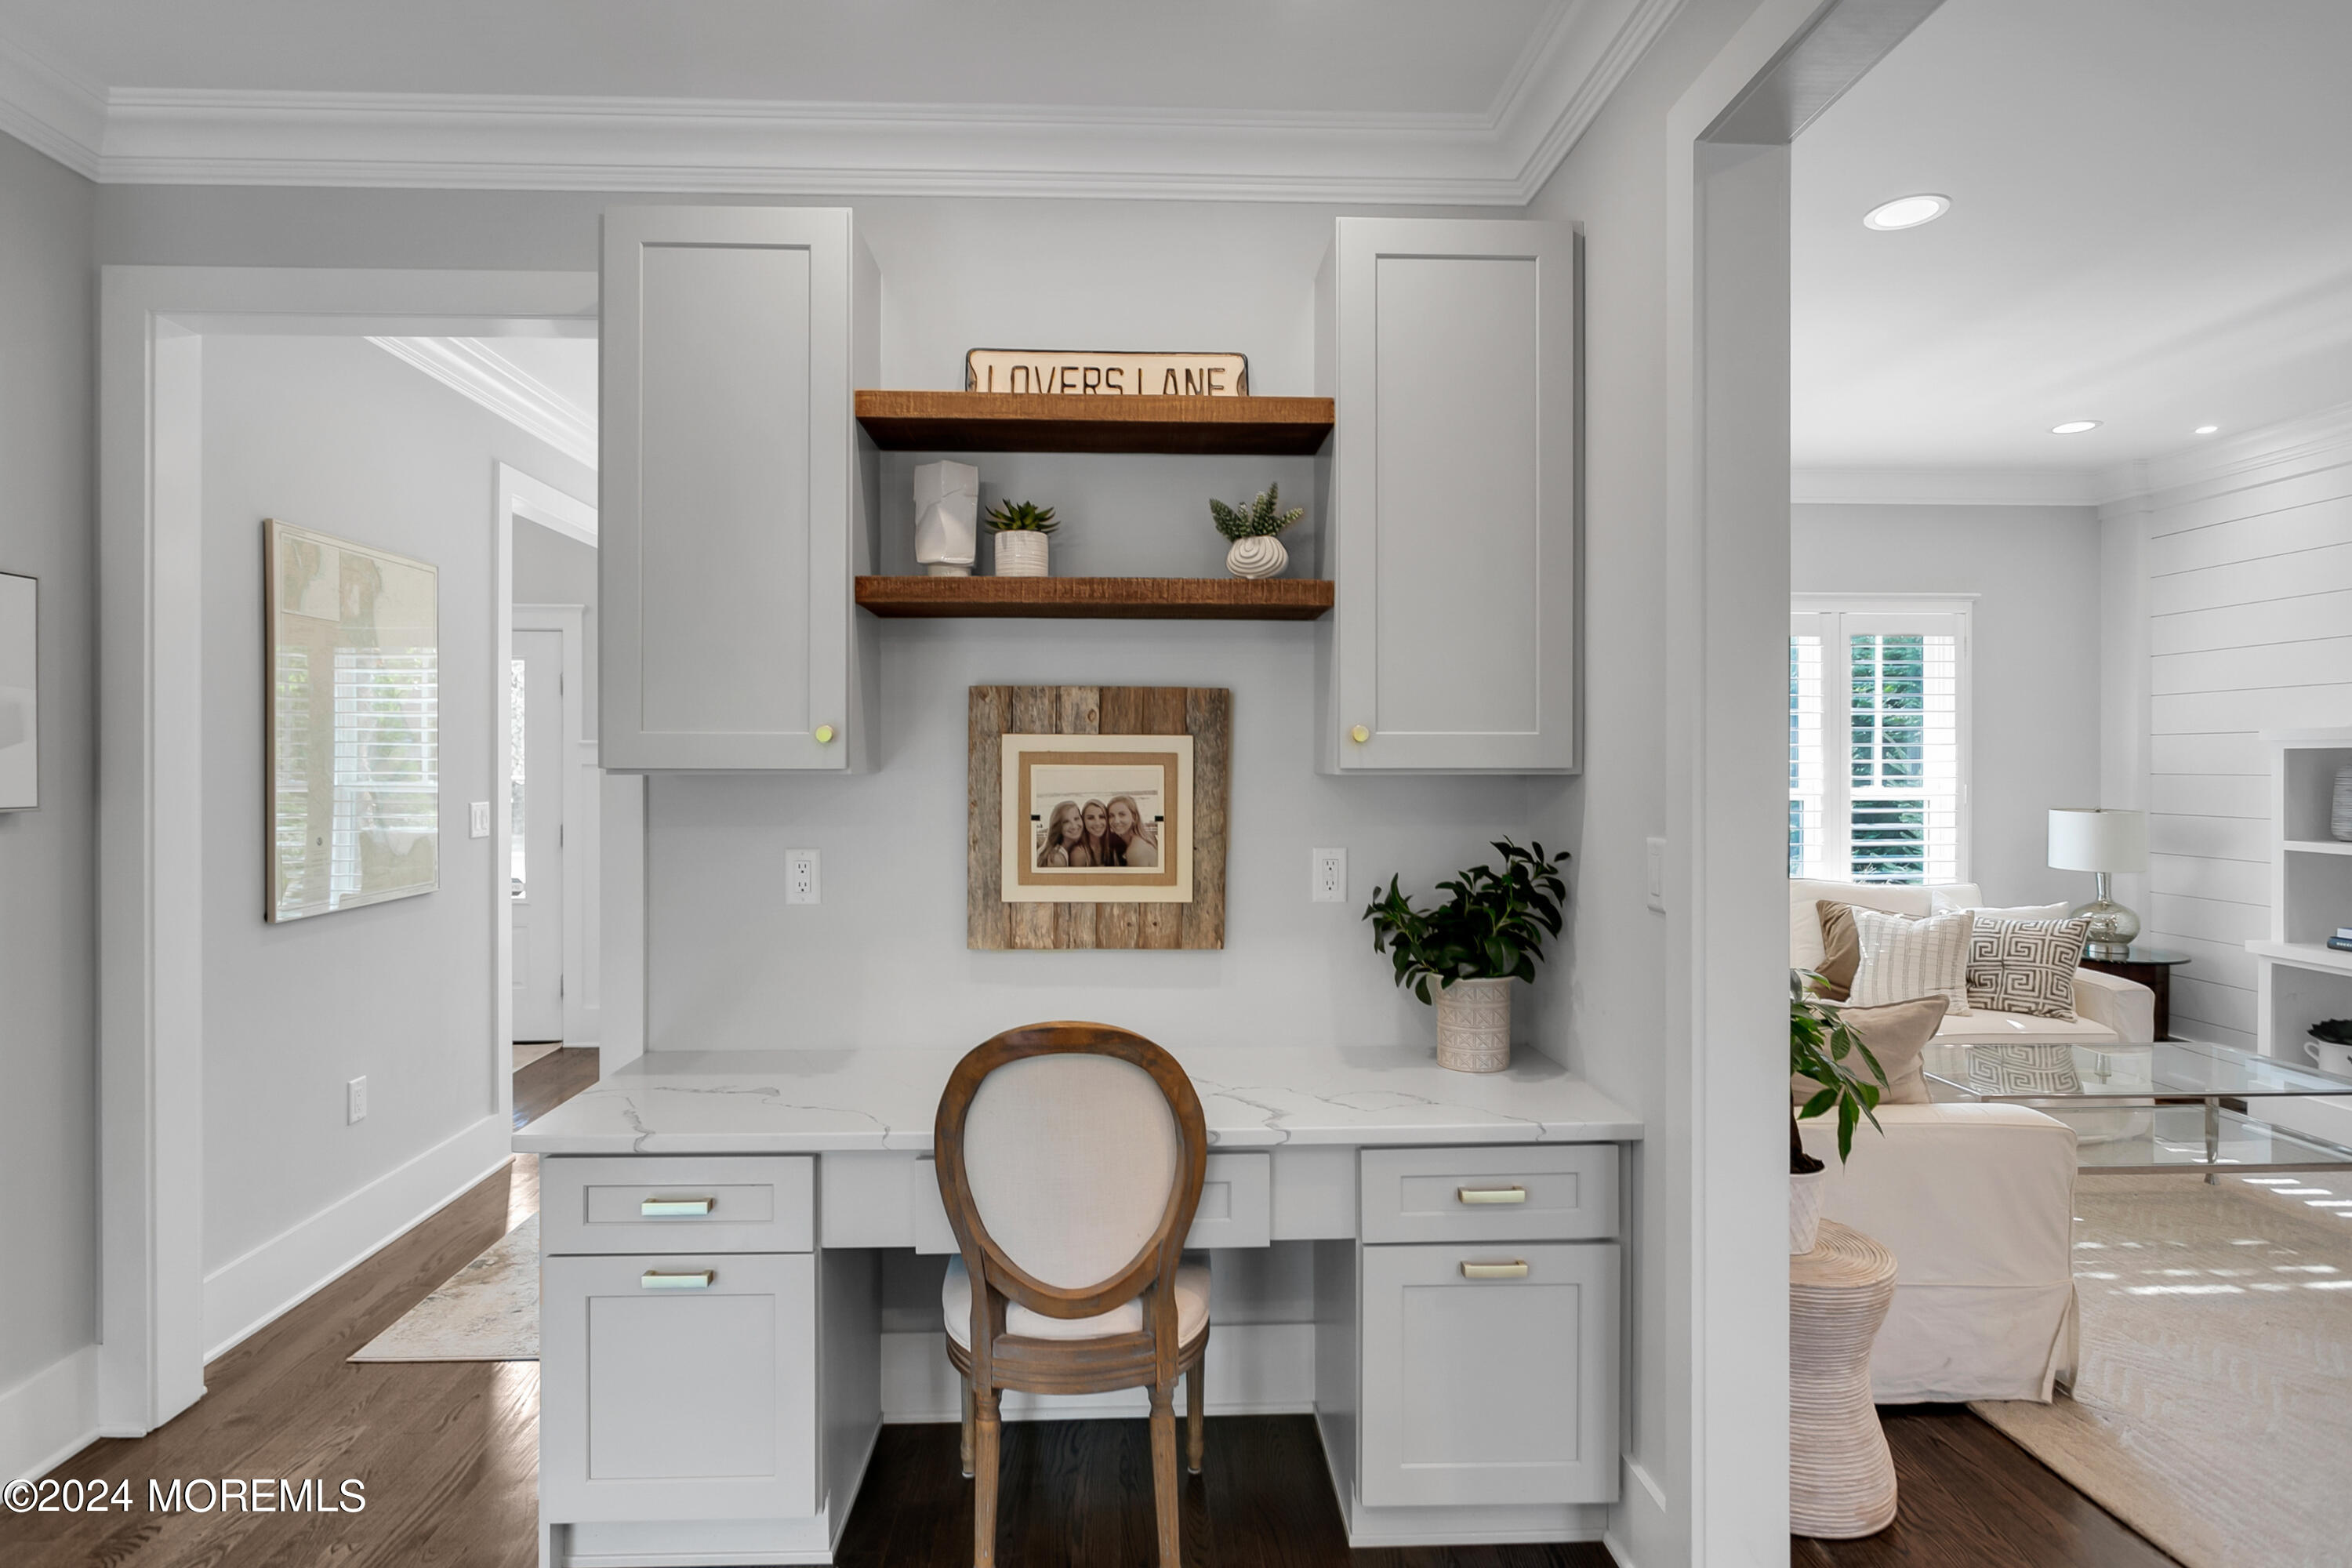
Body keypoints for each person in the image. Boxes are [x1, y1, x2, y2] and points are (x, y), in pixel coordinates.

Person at [1106, 795, 1159, 868]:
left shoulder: (1136, 850)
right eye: (1111, 816)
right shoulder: (1145, 836)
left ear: (1134, 817)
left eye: (1122, 814)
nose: (1116, 821)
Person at [1036, 800, 1086, 867]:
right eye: (1066, 822)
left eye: (1076, 819)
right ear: (1058, 826)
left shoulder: (1067, 850)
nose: (1074, 826)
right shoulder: (1055, 858)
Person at [1080, 800, 1115, 867]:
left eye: (1102, 817)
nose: (1097, 823)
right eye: (1091, 818)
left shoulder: (1111, 845)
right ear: (1083, 821)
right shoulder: (1080, 853)